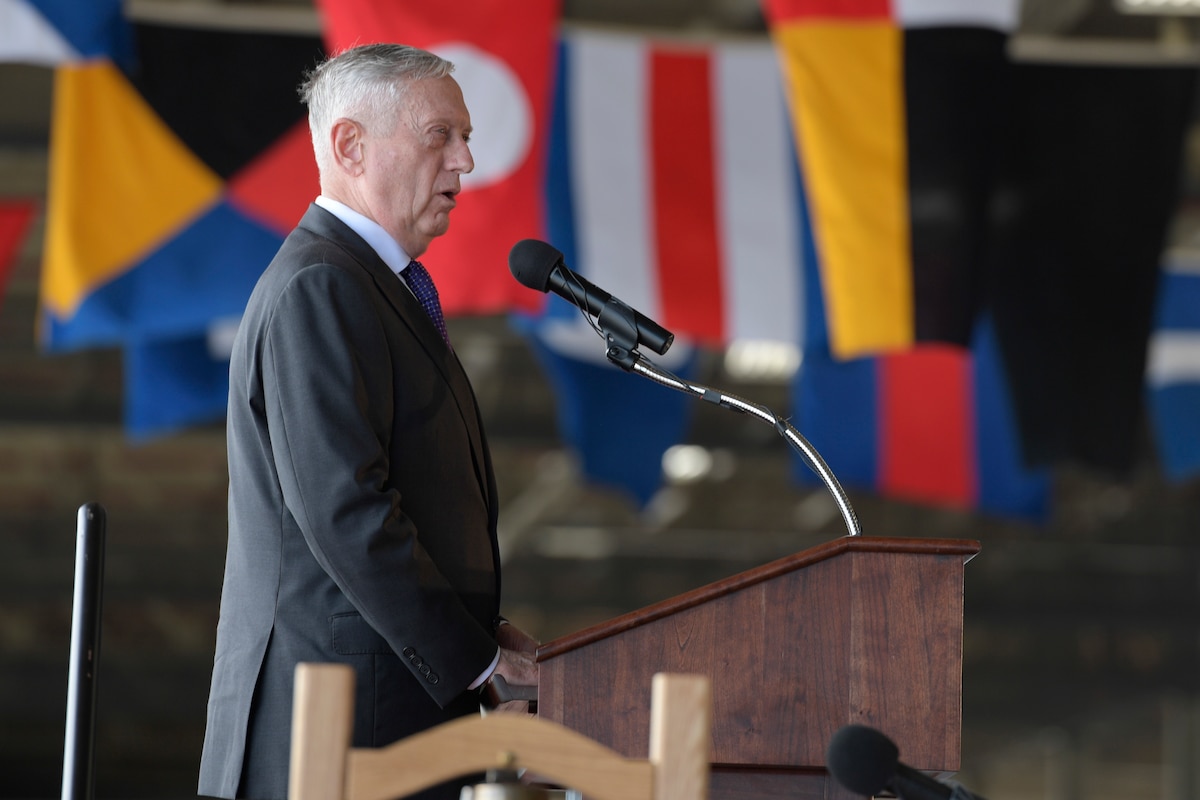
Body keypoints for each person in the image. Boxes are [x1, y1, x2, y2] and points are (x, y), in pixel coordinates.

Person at [198, 43, 539, 800]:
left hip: (380, 722)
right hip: (332, 735)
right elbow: (347, 511)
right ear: (350, 144)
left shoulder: (371, 285)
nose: (465, 163)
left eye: (466, 138)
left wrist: (478, 631)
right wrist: (475, 661)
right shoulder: (322, 286)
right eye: (440, 136)